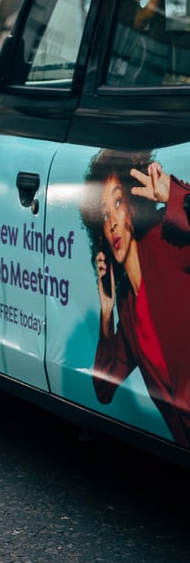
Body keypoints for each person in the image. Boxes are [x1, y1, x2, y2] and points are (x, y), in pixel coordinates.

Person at [80, 149, 190, 447]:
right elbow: (103, 389)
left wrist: (180, 197)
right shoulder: (128, 306)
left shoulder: (164, 239)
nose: (113, 221)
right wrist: (107, 312)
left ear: (132, 204)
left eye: (118, 202)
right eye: (104, 214)